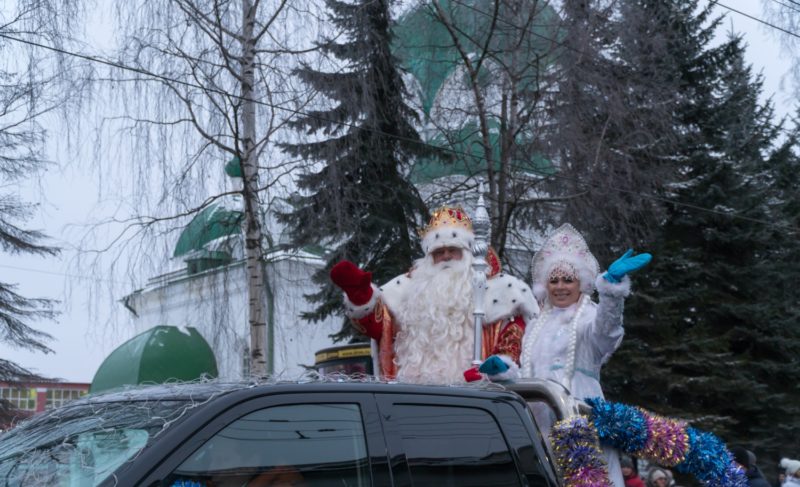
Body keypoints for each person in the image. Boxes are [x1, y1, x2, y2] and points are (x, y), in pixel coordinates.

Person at [481, 223, 650, 487]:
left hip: (577, 414)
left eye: (568, 280)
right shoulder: (536, 322)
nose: (560, 287)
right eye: (554, 280)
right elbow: (528, 371)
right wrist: (503, 372)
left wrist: (611, 292)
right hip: (535, 421)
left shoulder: (590, 316)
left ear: (580, 282)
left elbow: (607, 333)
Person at [330, 206, 538, 383]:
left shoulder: (499, 292)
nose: (446, 256)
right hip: (413, 402)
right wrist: (360, 294)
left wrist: (500, 365)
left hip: (477, 403)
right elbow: (377, 326)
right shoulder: (406, 291)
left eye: (453, 250)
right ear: (429, 257)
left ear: (467, 253)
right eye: (439, 252)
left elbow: (515, 334)